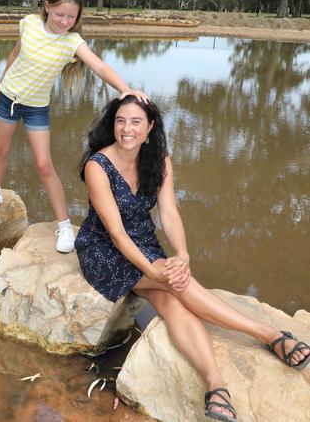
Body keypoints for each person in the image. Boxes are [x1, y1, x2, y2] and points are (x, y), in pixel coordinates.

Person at [75, 95, 310, 422]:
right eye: (120, 121)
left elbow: (169, 213)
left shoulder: (159, 160)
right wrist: (154, 271)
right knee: (172, 284)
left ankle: (217, 387)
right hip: (103, 250)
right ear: (112, 124)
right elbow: (115, 233)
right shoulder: (97, 165)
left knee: (171, 301)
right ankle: (267, 334)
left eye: (136, 122)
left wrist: (182, 255)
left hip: (143, 243)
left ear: (150, 127)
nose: (127, 129)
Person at [0, 0, 147, 253]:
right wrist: (1, 83)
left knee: (44, 165)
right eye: (59, 14)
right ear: (47, 7)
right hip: (8, 100)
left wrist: (125, 89)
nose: (64, 21)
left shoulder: (72, 41)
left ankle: (63, 225)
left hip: (37, 107)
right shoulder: (28, 24)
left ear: (78, 16)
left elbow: (98, 64)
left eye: (71, 16)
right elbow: (16, 53)